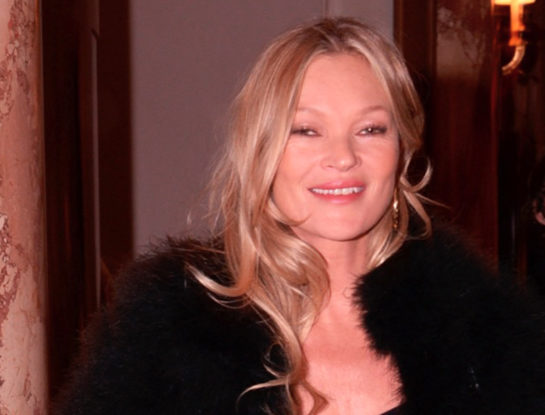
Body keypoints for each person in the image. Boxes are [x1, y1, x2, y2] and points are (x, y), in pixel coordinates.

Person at [54, 17, 545, 415]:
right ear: (261, 150)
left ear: (403, 150)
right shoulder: (168, 328)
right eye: (306, 130)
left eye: (371, 129)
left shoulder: (486, 333)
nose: (343, 157)